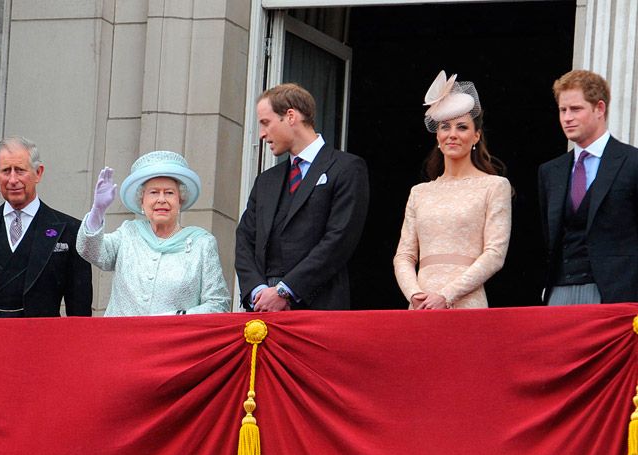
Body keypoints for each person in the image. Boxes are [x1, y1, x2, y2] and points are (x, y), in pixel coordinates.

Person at [235, 82, 369, 311]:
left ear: (290, 116)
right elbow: (244, 240)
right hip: (262, 311)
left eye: (266, 123)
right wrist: (258, 292)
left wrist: (285, 291)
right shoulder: (266, 180)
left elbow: (339, 240)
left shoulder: (347, 168)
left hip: (319, 309)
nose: (262, 134)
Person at [393, 71, 511, 309]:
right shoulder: (420, 192)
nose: (453, 134)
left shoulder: (494, 186)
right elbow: (404, 255)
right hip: (422, 306)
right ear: (438, 136)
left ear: (476, 135)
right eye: (445, 127)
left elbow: (495, 254)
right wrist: (415, 294)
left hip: (468, 304)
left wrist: (446, 295)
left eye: (462, 127)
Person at [76, 151, 230, 316]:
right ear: (142, 200)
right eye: (154, 192)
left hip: (173, 339)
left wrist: (179, 316)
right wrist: (98, 211)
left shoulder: (202, 244)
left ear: (180, 200)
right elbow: (90, 251)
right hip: (121, 339)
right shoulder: (128, 233)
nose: (161, 199)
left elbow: (219, 304)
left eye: (169, 193)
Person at [0, 136, 92, 318]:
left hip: (39, 342)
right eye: (5, 171)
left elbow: (79, 312)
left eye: (20, 170)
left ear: (39, 173)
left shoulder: (70, 231)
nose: (12, 179)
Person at [539, 69, 638, 305]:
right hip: (559, 291)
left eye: (576, 109)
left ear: (599, 109)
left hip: (616, 294)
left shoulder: (632, 162)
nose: (567, 117)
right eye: (563, 110)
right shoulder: (550, 172)